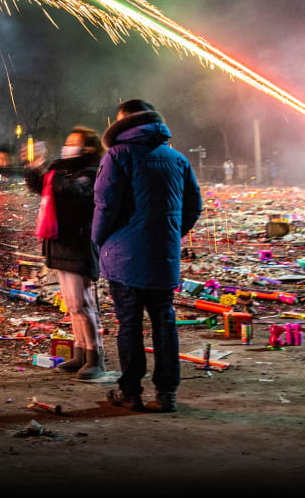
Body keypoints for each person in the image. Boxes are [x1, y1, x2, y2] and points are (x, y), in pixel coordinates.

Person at [94, 100, 201, 412]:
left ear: (125, 123)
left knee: (129, 323)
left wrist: (99, 241)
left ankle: (131, 392)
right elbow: (193, 206)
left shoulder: (117, 155)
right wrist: (168, 234)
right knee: (164, 322)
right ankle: (167, 394)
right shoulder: (177, 159)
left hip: (125, 258)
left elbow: (105, 206)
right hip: (162, 256)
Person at [24, 127, 105, 379]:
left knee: (83, 303)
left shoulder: (91, 173)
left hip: (78, 244)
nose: (67, 146)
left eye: (73, 143)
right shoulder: (64, 171)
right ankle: (80, 353)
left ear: (88, 148)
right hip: (61, 243)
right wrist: (34, 166)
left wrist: (53, 172)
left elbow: (73, 195)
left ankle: (95, 357)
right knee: (71, 305)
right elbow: (40, 185)